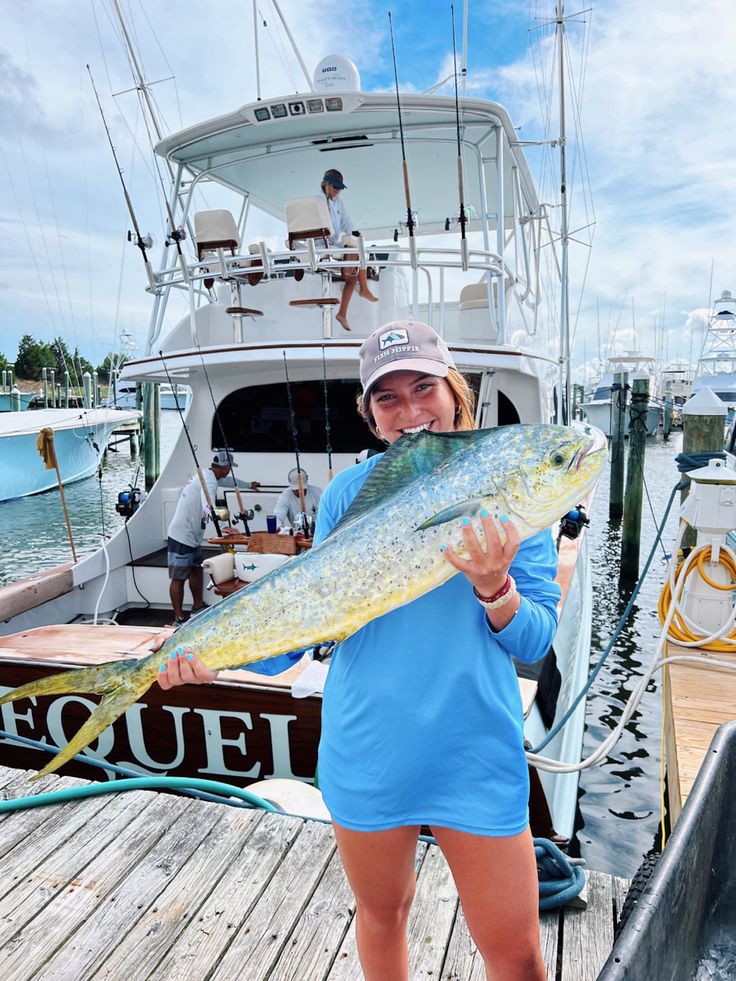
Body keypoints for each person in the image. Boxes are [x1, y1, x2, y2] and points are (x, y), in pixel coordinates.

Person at [156, 320, 559, 980]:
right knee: (381, 916)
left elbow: (536, 635)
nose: (409, 411)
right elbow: (322, 613)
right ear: (371, 415)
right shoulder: (347, 493)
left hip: (473, 748)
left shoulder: (510, 478)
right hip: (368, 747)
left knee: (517, 958)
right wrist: (217, 653)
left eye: (423, 387)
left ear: (455, 389)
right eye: (387, 398)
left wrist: (497, 588)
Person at [166, 450, 259, 627]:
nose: (229, 472)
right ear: (225, 468)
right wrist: (224, 527)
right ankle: (178, 618)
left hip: (193, 536)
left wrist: (249, 485)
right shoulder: (208, 480)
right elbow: (207, 504)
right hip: (181, 536)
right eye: (229, 468)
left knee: (196, 571)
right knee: (178, 578)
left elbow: (230, 482)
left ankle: (198, 607)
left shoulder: (209, 475)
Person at [321, 168, 378, 332]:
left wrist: (355, 233)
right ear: (326, 183)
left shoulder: (338, 202)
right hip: (321, 244)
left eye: (340, 187)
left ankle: (342, 314)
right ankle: (365, 290)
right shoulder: (317, 200)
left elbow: (346, 222)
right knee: (356, 255)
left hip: (333, 244)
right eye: (335, 187)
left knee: (353, 272)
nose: (337, 190)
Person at [274, 467, 323, 532]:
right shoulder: (285, 496)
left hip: (319, 532)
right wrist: (278, 527)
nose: (300, 492)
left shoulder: (318, 493)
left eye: (303, 489)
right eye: (296, 490)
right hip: (298, 535)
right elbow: (278, 516)